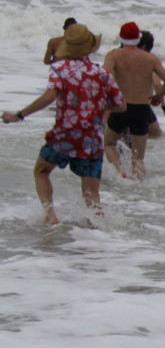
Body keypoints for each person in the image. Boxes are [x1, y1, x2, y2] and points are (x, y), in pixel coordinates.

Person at [3, 23, 125, 224]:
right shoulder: (102, 73)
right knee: (91, 193)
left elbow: (49, 97)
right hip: (91, 138)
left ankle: (51, 216)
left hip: (65, 135)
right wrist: (98, 109)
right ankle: (99, 233)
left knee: (41, 171)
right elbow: (120, 105)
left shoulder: (59, 69)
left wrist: (19, 115)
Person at [102, 21, 165, 180]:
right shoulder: (151, 59)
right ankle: (139, 189)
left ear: (121, 37)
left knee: (108, 144)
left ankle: (119, 170)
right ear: (138, 38)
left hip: (120, 107)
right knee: (138, 158)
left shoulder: (113, 55)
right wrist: (157, 96)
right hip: (141, 110)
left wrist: (108, 97)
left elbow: (103, 76)